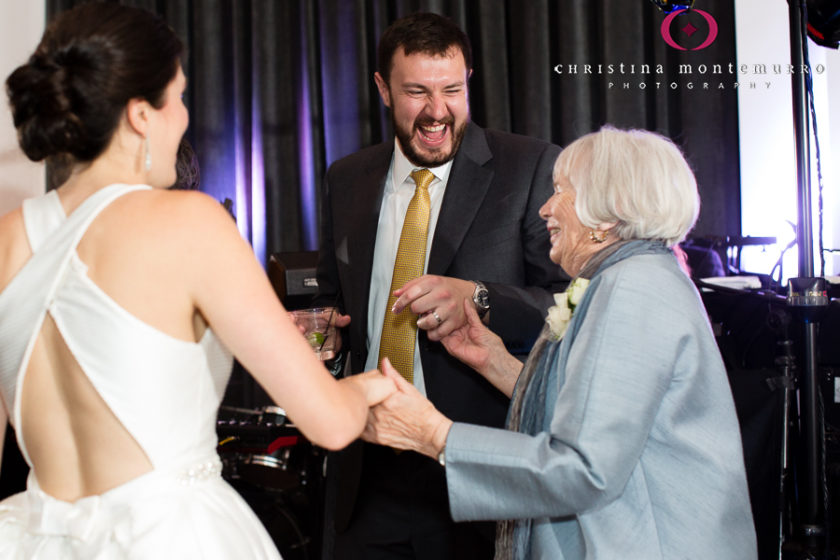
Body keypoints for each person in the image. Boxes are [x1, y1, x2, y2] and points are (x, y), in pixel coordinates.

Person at [0, 4, 394, 558]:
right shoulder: (190, 222)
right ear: (141, 114)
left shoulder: (7, 239)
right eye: (179, 97)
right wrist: (372, 385)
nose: (184, 116)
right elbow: (328, 422)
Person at [363, 127, 758, 559]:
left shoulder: (632, 289)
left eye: (560, 192)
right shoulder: (623, 278)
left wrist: (433, 434)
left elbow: (584, 469)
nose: (546, 209)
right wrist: (495, 361)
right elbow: (591, 411)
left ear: (608, 213)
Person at [314, 11, 567, 559]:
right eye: (416, 92)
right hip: (367, 467)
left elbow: (568, 303)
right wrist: (330, 338)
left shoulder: (528, 167)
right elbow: (338, 303)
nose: (437, 112)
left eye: (452, 89)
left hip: (475, 464)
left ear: (469, 80)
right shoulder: (346, 177)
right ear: (383, 89)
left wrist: (477, 296)